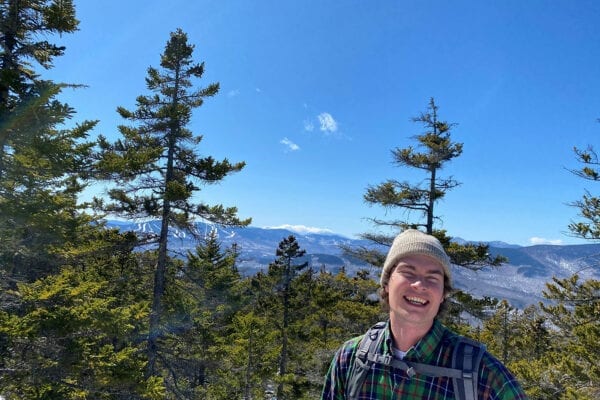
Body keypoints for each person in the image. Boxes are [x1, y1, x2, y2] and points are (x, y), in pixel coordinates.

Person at [320, 229, 528, 399]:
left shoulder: (482, 373)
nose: (420, 285)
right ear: (386, 283)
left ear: (443, 294)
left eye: (433, 278)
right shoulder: (352, 359)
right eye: (408, 273)